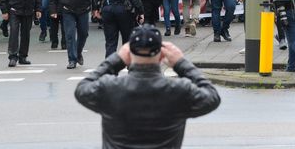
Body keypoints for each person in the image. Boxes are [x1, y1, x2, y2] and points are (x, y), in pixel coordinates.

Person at [74, 25, 220, 149]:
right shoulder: (178, 90)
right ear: (162, 55)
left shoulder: (111, 88)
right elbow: (212, 96)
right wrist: (181, 63)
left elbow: (82, 89)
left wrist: (116, 61)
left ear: (128, 54)